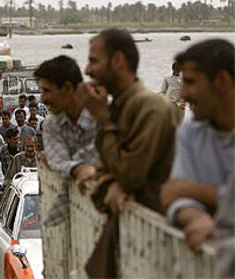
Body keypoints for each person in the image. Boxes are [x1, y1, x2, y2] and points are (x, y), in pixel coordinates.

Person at [78, 29, 177, 278]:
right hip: (132, 246)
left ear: (118, 61)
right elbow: (105, 175)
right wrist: (111, 183)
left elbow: (130, 174)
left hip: (157, 249)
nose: (88, 70)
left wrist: (101, 117)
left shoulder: (150, 107)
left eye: (94, 60)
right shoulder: (120, 106)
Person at [160, 39, 234, 252]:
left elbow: (182, 188)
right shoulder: (192, 130)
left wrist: (196, 190)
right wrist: (197, 217)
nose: (182, 93)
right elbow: (172, 196)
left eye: (191, 82)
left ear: (221, 80)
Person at [34, 55, 99, 227]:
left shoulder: (101, 112)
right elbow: (58, 160)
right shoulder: (51, 124)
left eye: (47, 91)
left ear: (68, 88)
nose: (43, 99)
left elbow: (109, 149)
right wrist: (78, 169)